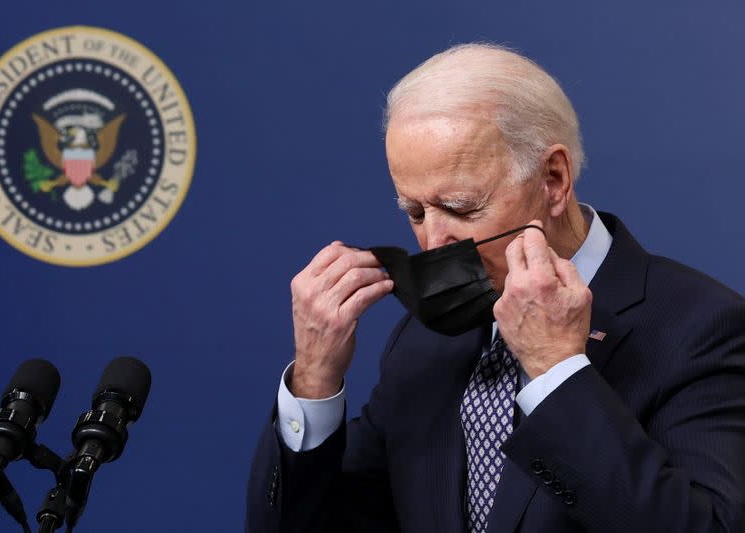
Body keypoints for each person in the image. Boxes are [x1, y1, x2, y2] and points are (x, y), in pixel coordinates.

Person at [246, 43, 745, 532]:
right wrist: (313, 380)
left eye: (462, 208)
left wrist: (557, 373)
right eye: (416, 213)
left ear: (553, 179)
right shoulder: (422, 340)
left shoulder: (702, 326)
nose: (435, 245)